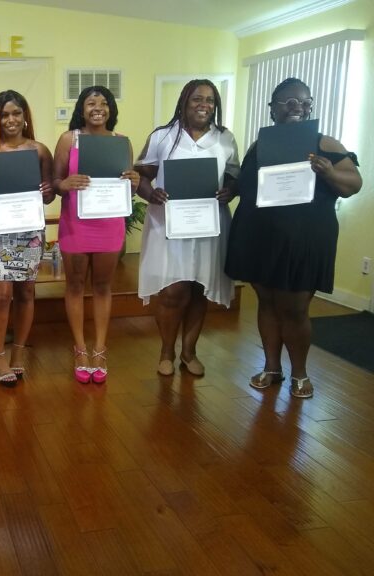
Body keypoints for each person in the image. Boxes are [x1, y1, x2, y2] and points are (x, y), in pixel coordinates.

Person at [226, 77, 362, 398]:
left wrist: (329, 172)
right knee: (267, 302)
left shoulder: (324, 143)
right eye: (288, 102)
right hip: (259, 236)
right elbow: (245, 185)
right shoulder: (259, 145)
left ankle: (299, 373)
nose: (296, 107)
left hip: (304, 241)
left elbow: (353, 184)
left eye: (304, 102)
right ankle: (272, 368)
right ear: (272, 108)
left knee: (295, 307)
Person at [135, 79, 240, 377]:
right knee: (173, 290)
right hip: (169, 225)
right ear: (184, 101)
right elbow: (141, 175)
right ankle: (166, 351)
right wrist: (151, 194)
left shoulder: (225, 138)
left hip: (209, 225)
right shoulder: (163, 136)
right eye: (197, 98)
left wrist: (230, 191)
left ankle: (189, 352)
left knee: (198, 289)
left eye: (210, 100)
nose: (204, 105)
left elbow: (234, 176)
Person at [52, 86, 141, 384]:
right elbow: (55, 181)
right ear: (82, 108)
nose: (98, 108)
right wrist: (64, 184)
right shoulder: (69, 139)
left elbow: (127, 183)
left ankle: (100, 349)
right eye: (91, 103)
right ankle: (80, 350)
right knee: (75, 285)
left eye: (104, 103)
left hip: (108, 223)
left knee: (103, 286)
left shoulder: (122, 141)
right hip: (76, 223)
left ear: (111, 109)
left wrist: (134, 180)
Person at [0, 90, 54, 385]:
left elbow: (49, 195)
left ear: (25, 116)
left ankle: (18, 351)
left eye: (16, 113)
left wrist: (48, 191)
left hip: (28, 230)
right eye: (4, 115)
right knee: (1, 295)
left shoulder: (39, 150)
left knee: (26, 292)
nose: (11, 120)